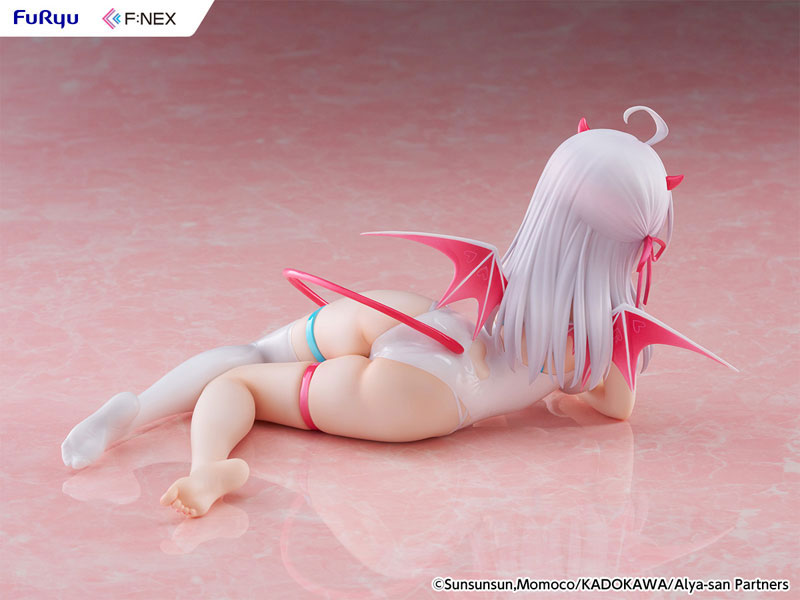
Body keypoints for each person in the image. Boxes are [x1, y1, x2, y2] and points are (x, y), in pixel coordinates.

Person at [62, 106, 692, 518]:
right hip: (433, 393)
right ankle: (208, 471)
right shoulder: (604, 332)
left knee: (252, 354)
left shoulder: (509, 275)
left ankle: (135, 410)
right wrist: (570, 384)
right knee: (242, 387)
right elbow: (615, 409)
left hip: (422, 317)